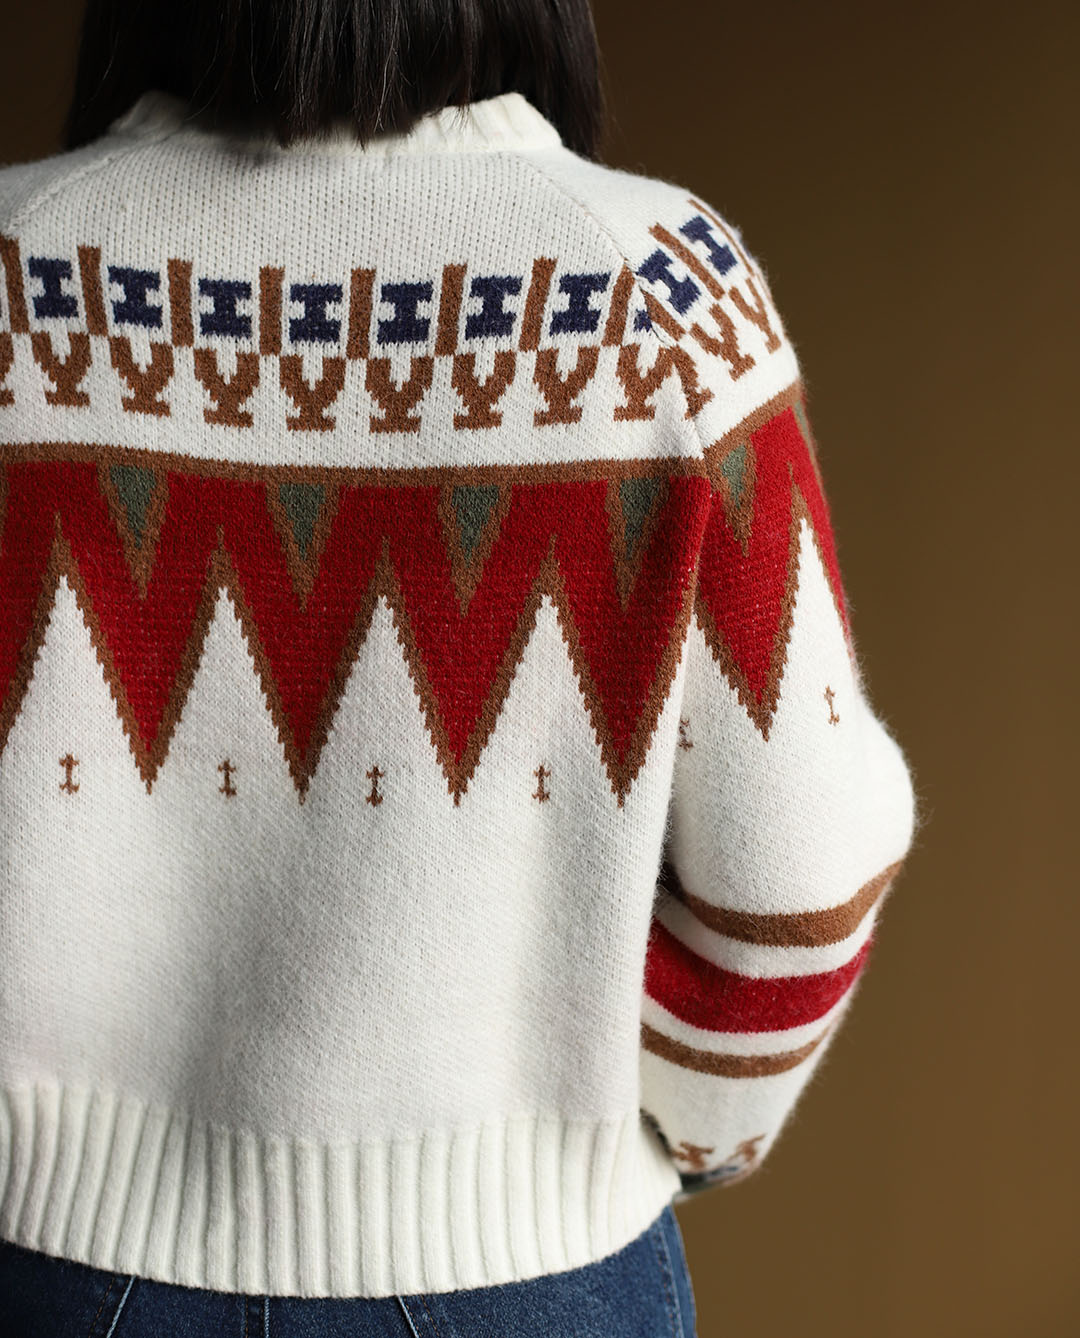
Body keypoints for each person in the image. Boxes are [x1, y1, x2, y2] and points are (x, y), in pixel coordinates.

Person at [0, 0, 920, 1332]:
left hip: (39, 1253)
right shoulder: (660, 292)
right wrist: (628, 1128)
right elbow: (804, 870)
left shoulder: (15, 271)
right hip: (526, 1273)